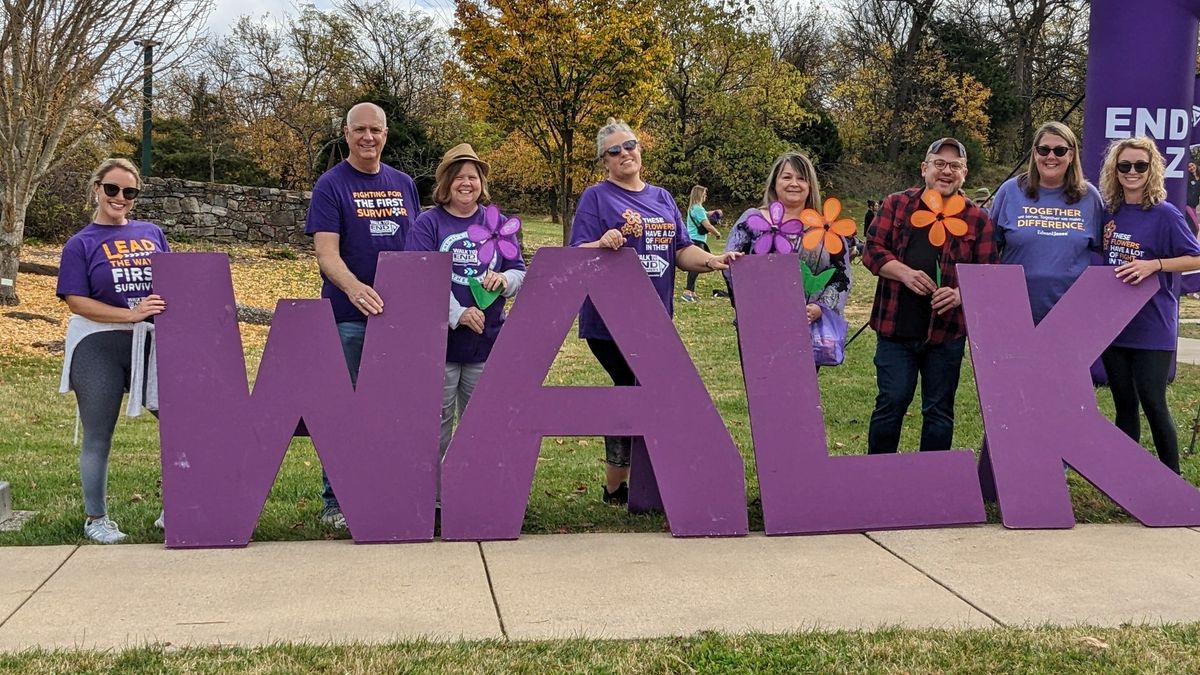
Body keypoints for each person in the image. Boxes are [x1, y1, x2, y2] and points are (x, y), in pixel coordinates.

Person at [570, 118, 739, 505]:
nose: (624, 153)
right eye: (614, 150)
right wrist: (601, 241)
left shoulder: (663, 198)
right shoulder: (596, 198)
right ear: (604, 162)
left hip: (654, 320)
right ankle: (634, 484)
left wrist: (713, 261)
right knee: (640, 391)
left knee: (634, 394)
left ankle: (623, 488)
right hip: (609, 321)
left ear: (640, 149)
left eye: (630, 145)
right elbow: (574, 254)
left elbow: (681, 251)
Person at [305, 102, 421, 528]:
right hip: (347, 317)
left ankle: (388, 492)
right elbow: (325, 254)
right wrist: (355, 290)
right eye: (359, 130)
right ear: (346, 133)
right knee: (344, 410)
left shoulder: (404, 183)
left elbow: (417, 248)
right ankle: (336, 502)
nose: (368, 137)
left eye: (375, 130)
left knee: (395, 410)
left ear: (386, 134)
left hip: (401, 321)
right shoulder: (330, 185)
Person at [56, 158, 169, 543]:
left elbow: (172, 283)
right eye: (112, 189)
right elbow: (75, 300)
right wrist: (130, 314)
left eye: (129, 192)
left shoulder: (153, 232)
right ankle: (96, 519)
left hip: (150, 342)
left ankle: (177, 506)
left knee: (180, 424)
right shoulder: (80, 243)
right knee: (99, 433)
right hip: (99, 343)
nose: (120, 198)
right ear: (96, 189)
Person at [862, 137, 997, 455]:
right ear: (924, 169)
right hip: (895, 329)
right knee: (891, 402)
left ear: (965, 174)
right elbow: (872, 251)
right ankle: (878, 480)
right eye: (939, 163)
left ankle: (931, 486)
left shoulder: (977, 218)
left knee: (938, 413)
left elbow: (989, 274)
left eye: (955, 166)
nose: (946, 171)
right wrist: (904, 272)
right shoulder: (896, 205)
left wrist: (961, 294)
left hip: (946, 334)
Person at [407, 144, 526, 467]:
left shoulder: (497, 223)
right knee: (436, 428)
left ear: (481, 183)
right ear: (446, 182)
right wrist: (457, 314)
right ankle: (432, 499)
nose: (466, 183)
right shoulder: (428, 224)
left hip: (484, 345)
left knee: (482, 425)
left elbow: (520, 271)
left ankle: (474, 496)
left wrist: (504, 279)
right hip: (438, 347)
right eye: (458, 176)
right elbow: (418, 276)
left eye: (472, 177)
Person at [1098, 136, 1200, 474]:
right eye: (1124, 165)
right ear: (1115, 170)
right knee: (1123, 403)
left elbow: (1194, 258)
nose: (1131, 171)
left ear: (1151, 169)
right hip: (1114, 326)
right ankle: (1127, 478)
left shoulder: (1165, 214)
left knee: (1154, 402)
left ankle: (1171, 478)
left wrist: (1154, 265)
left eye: (1140, 165)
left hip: (1152, 325)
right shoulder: (1110, 211)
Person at [992, 121, 1106, 325]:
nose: (1051, 157)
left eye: (1060, 150)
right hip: (1013, 310)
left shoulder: (1089, 197)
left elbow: (1106, 252)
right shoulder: (1010, 191)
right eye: (1044, 150)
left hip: (1071, 313)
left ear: (1071, 156)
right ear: (1035, 154)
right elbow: (989, 250)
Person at [723, 151, 850, 326]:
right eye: (787, 177)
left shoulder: (827, 228)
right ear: (775, 183)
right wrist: (752, 304)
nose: (794, 184)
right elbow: (730, 266)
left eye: (801, 178)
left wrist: (820, 307)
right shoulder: (752, 221)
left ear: (810, 186)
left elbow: (842, 276)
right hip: (759, 322)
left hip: (813, 327)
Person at [681, 185, 721, 303]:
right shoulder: (698, 209)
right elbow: (706, 224)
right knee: (696, 266)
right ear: (700, 195)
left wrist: (713, 212)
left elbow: (704, 214)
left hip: (693, 239)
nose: (705, 196)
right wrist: (717, 233)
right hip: (697, 240)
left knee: (696, 266)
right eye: (704, 194)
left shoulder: (695, 208)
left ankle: (692, 292)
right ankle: (687, 292)